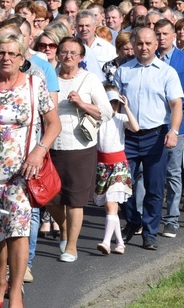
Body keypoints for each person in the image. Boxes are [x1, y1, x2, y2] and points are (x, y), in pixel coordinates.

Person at [0, 34, 60, 308]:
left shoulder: (34, 85)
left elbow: (54, 124)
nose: (6, 58)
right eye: (1, 53)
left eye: (13, 54)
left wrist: (40, 150)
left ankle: (15, 291)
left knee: (18, 231)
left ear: (22, 59)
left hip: (23, 172)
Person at [115, 28, 183, 251]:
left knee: (154, 187)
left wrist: (173, 131)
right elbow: (115, 105)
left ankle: (150, 232)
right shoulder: (123, 71)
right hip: (128, 136)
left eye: (148, 43)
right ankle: (133, 220)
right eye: (140, 43)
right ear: (133, 45)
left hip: (156, 136)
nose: (144, 47)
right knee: (123, 185)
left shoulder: (167, 72)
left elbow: (176, 105)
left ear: (156, 45)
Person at [47, 37, 112, 262]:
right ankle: (64, 227)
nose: (68, 56)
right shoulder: (48, 78)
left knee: (74, 199)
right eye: (64, 52)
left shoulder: (89, 79)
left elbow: (107, 112)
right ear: (58, 54)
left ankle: (71, 246)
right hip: (50, 145)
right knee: (49, 197)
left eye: (74, 53)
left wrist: (82, 104)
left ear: (81, 57)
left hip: (79, 147)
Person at [155, 19, 184, 238]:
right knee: (149, 173)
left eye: (165, 33)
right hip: (150, 124)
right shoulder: (146, 59)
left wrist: (175, 100)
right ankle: (147, 216)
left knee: (173, 172)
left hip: (177, 124)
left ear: (174, 35)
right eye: (158, 33)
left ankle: (172, 218)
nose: (161, 38)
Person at [95, 86, 138, 255]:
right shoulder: (98, 119)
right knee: (109, 206)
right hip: (102, 166)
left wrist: (125, 106)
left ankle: (106, 242)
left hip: (119, 165)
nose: (113, 105)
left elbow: (136, 128)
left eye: (115, 102)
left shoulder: (120, 118)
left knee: (112, 203)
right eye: (109, 102)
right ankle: (120, 243)